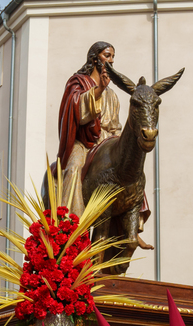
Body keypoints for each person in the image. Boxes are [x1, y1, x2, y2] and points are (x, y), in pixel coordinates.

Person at [55, 42, 122, 216]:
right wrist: (99, 90)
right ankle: (70, 221)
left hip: (107, 141)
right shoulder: (78, 82)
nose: (111, 60)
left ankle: (133, 223)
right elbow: (76, 109)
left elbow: (115, 126)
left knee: (129, 167)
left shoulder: (112, 95)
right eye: (107, 56)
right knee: (74, 168)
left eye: (113, 57)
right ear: (94, 59)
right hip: (83, 142)